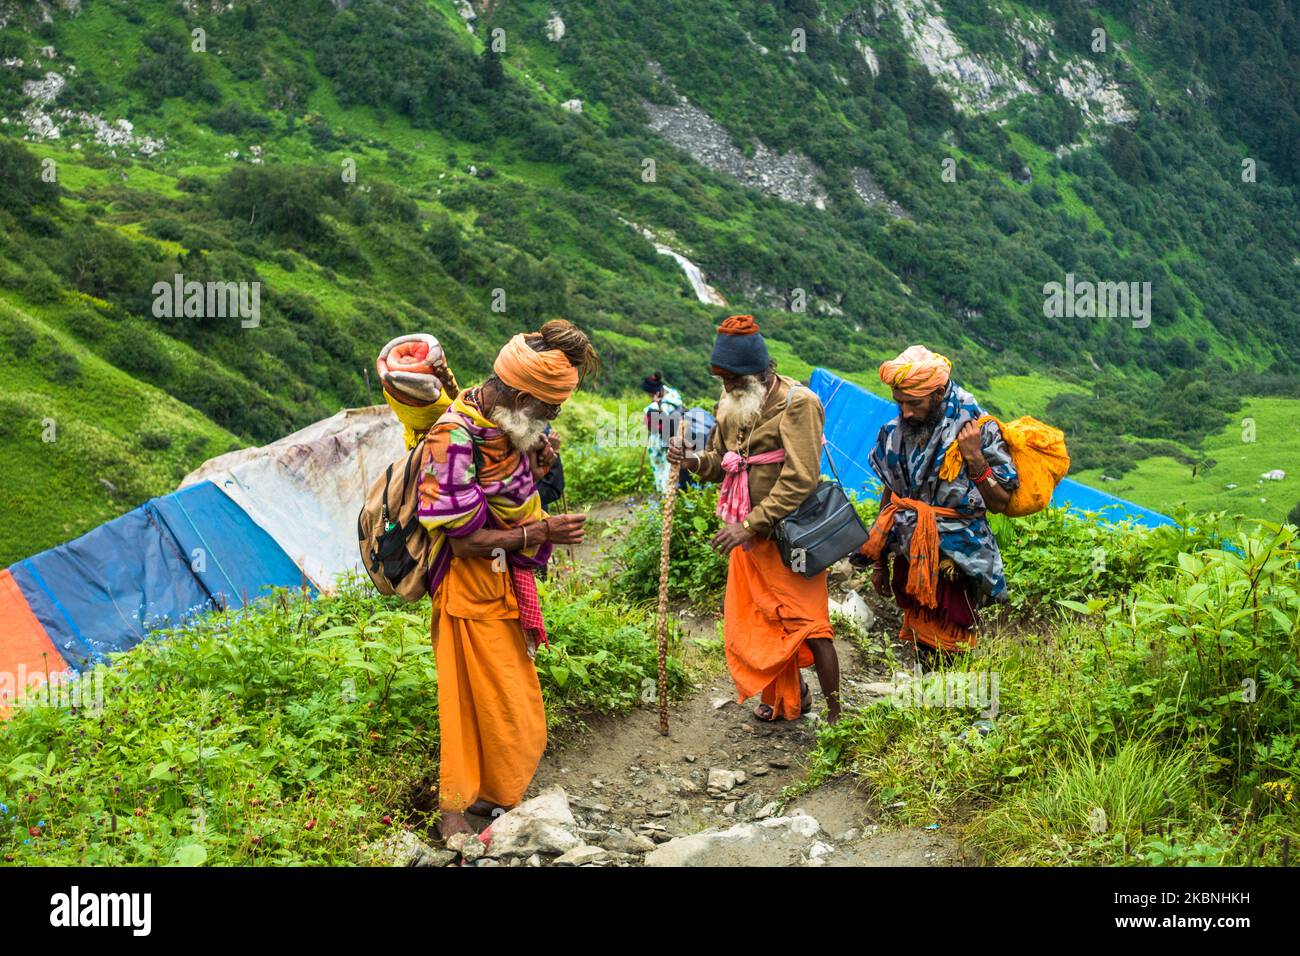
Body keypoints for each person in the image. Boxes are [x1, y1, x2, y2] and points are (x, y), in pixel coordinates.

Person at [414, 320, 598, 839]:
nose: (551, 418)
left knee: (506, 702)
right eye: (549, 409)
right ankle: (453, 813)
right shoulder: (451, 438)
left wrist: (537, 470)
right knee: (467, 700)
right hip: (468, 588)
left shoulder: (502, 424)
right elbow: (462, 540)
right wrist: (542, 530)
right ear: (520, 395)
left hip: (502, 584)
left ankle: (490, 799)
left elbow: (501, 497)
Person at [668, 315, 841, 723]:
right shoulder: (730, 403)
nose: (725, 388)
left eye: (732, 380)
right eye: (723, 380)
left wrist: (748, 524)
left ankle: (836, 717)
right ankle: (790, 694)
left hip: (792, 536)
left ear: (757, 374)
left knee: (810, 624)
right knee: (763, 619)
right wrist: (691, 460)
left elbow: (801, 478)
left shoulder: (800, 403)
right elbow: (721, 462)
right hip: (749, 537)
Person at [857, 345, 1018, 659]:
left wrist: (974, 458)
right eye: (899, 402)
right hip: (910, 547)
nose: (905, 412)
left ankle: (946, 702)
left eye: (913, 403)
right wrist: (879, 560)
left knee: (950, 640)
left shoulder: (978, 429)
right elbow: (891, 493)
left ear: (939, 393)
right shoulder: (895, 432)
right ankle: (927, 700)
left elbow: (1000, 502)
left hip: (957, 555)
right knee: (919, 637)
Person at [641, 371, 686, 494]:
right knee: (670, 467)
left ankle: (665, 494)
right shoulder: (674, 395)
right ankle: (670, 492)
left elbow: (651, 426)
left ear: (654, 392)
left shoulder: (657, 407)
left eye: (649, 394)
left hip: (662, 442)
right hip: (676, 438)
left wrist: (654, 405)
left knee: (663, 468)